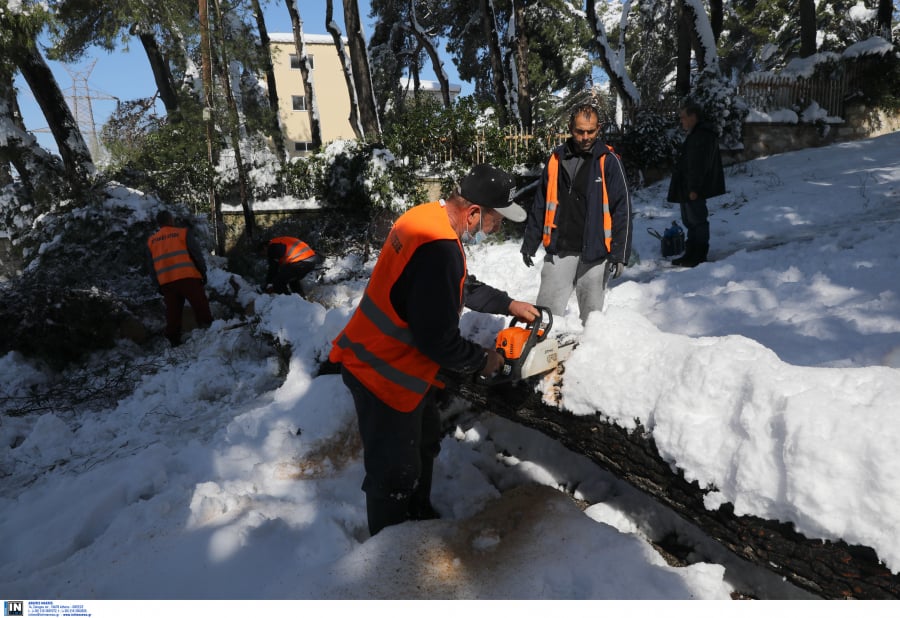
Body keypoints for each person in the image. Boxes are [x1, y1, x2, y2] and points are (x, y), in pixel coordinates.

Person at [328, 163, 540, 537]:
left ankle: (417, 518)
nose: (497, 229)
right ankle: (388, 556)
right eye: (496, 221)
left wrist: (508, 304)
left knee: (425, 439)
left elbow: (456, 287)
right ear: (474, 213)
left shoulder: (427, 218)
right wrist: (485, 361)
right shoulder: (440, 249)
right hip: (381, 374)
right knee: (392, 474)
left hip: (391, 367)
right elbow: (438, 341)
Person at [521, 103, 633, 324]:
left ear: (598, 128)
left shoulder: (608, 161)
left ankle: (588, 356)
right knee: (546, 317)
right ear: (570, 127)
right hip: (560, 250)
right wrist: (530, 243)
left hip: (596, 254)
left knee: (592, 320)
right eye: (579, 131)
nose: (585, 137)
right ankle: (544, 353)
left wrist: (620, 254)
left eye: (590, 131)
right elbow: (541, 204)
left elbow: (623, 209)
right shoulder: (556, 160)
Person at [666, 100, 726, 267]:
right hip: (687, 187)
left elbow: (699, 166)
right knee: (690, 221)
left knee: (697, 221)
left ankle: (698, 255)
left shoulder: (703, 135)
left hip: (693, 188)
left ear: (693, 117)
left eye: (683, 117)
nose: (681, 121)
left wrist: (694, 188)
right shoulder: (697, 134)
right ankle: (690, 253)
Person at [145, 210, 213, 346]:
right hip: (188, 277)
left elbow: (151, 267)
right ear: (171, 220)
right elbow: (196, 254)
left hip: (167, 283)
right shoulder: (182, 233)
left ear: (159, 223)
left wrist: (157, 284)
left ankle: (173, 340)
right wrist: (202, 272)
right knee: (201, 306)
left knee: (173, 313)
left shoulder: (151, 241)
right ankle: (210, 333)